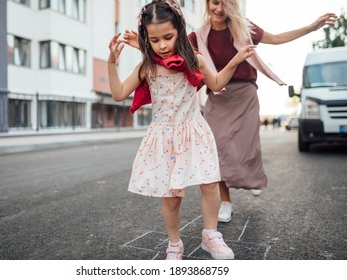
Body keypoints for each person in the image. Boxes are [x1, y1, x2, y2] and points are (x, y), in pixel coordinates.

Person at [125, 0, 337, 223]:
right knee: (217, 150)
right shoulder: (198, 35)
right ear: (207, 4)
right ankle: (226, 201)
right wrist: (141, 44)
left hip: (244, 93)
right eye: (215, 3)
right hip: (217, 95)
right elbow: (172, 54)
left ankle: (250, 177)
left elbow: (275, 39)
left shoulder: (245, 27)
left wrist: (312, 27)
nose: (219, 9)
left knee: (246, 147)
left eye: (224, 4)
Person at [108, 0, 255, 260]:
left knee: (210, 184)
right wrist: (111, 63)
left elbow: (217, 81)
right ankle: (174, 244)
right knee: (172, 196)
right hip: (164, 138)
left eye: (168, 37)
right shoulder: (147, 67)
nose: (162, 45)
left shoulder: (194, 60)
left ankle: (211, 235)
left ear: (179, 30)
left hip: (194, 131)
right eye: (154, 40)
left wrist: (234, 60)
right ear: (146, 39)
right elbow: (119, 93)